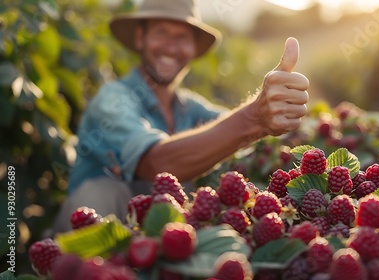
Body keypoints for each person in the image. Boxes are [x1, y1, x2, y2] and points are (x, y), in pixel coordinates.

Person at [52, 0, 309, 233]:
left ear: (193, 48)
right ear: (140, 38)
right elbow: (157, 164)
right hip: (87, 249)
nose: (172, 46)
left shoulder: (191, 108)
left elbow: (227, 125)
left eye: (182, 37)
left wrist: (286, 119)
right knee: (102, 192)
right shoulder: (113, 100)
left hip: (154, 248)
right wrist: (253, 118)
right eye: (161, 32)